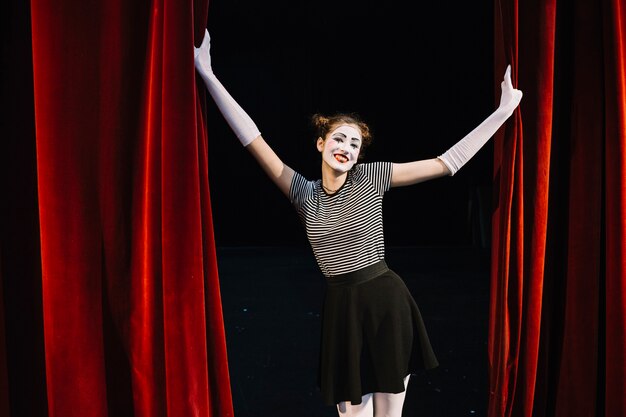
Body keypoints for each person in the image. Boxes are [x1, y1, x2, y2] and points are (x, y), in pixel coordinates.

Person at [193, 28, 522, 417]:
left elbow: (444, 164)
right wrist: (209, 75)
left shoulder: (372, 177)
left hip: (386, 302)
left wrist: (502, 113)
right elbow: (252, 139)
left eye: (354, 144)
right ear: (321, 142)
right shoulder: (301, 191)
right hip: (342, 311)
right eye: (339, 138)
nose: (346, 148)